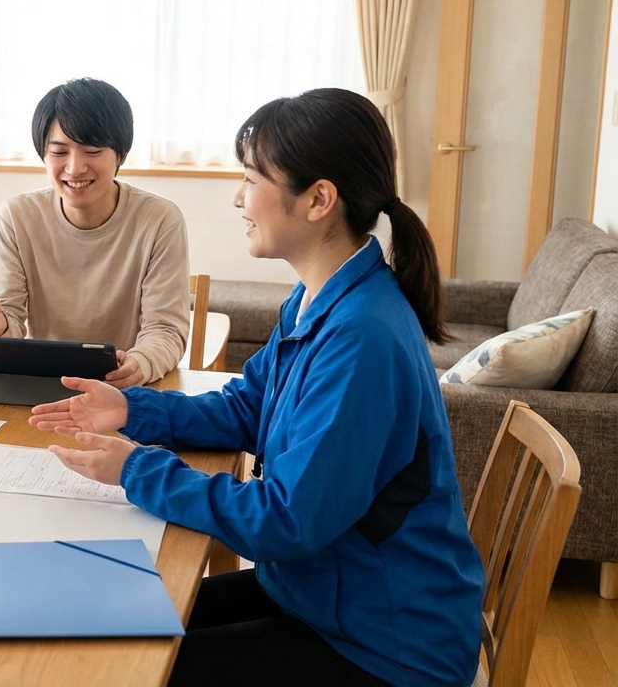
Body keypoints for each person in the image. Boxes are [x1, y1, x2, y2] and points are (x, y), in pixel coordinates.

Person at [29, 89, 485, 686]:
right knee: (108, 620)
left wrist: (136, 470)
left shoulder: (362, 338)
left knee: (126, 666)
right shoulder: (321, 297)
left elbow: (285, 521)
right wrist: (130, 408)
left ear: (319, 199)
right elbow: (249, 405)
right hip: (317, 594)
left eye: (251, 179)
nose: (239, 199)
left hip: (383, 647)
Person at [0, 78, 189, 388]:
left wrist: (141, 363)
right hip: (44, 382)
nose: (75, 168)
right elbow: (7, 319)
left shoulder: (160, 220)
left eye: (92, 151)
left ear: (120, 155)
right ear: (43, 154)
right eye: (59, 152)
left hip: (124, 387)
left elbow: (165, 329)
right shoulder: (17, 217)